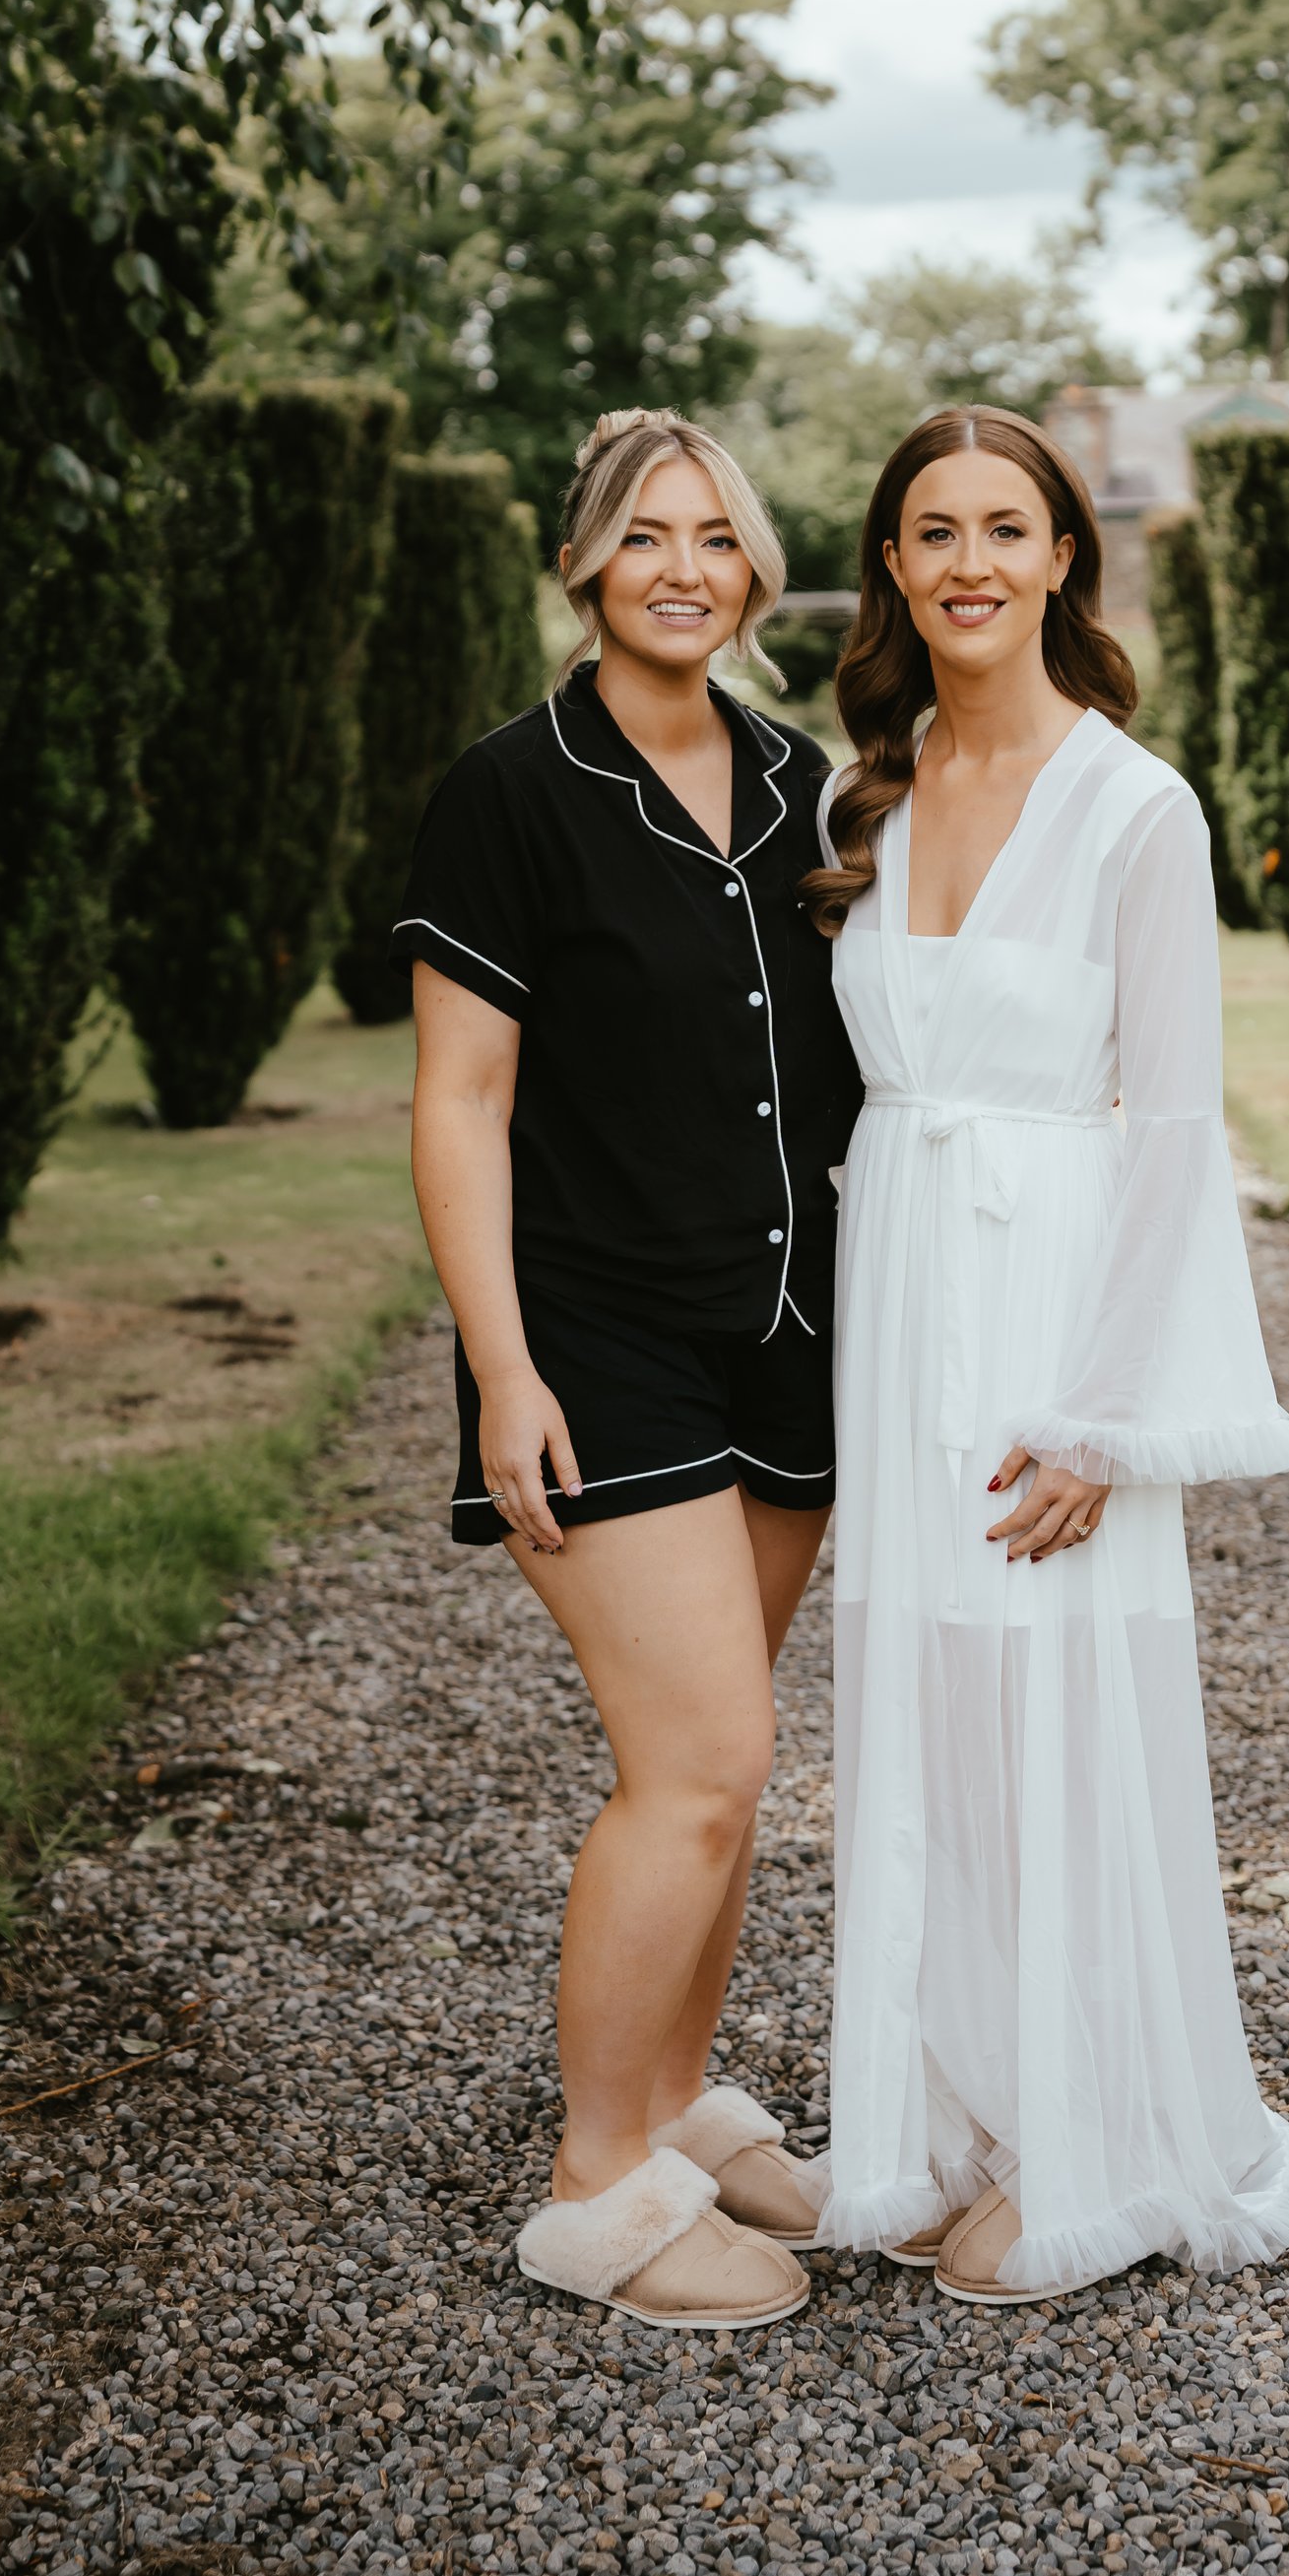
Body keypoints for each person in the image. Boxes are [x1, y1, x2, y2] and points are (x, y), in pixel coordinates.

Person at [807, 404, 1289, 2304]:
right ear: (890, 563)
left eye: (1003, 527)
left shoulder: (1139, 806)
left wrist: (1110, 1419)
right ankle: (953, 2111)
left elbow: (1177, 1131)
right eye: (929, 528)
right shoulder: (868, 789)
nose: (966, 559)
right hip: (902, 1289)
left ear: (1057, 561)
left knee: (1056, 1690)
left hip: (1057, 1316)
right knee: (928, 1705)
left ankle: (1095, 2135)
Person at [404, 410, 863, 2331]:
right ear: (587, 566)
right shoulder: (508, 792)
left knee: (723, 1770)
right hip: (594, 1339)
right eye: (644, 538)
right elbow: (458, 1099)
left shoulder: (804, 784)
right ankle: (599, 2189)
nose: (685, 567)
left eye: (718, 539)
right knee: (700, 1761)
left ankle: (679, 2103)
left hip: (791, 1329)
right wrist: (503, 1375)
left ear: (753, 569)